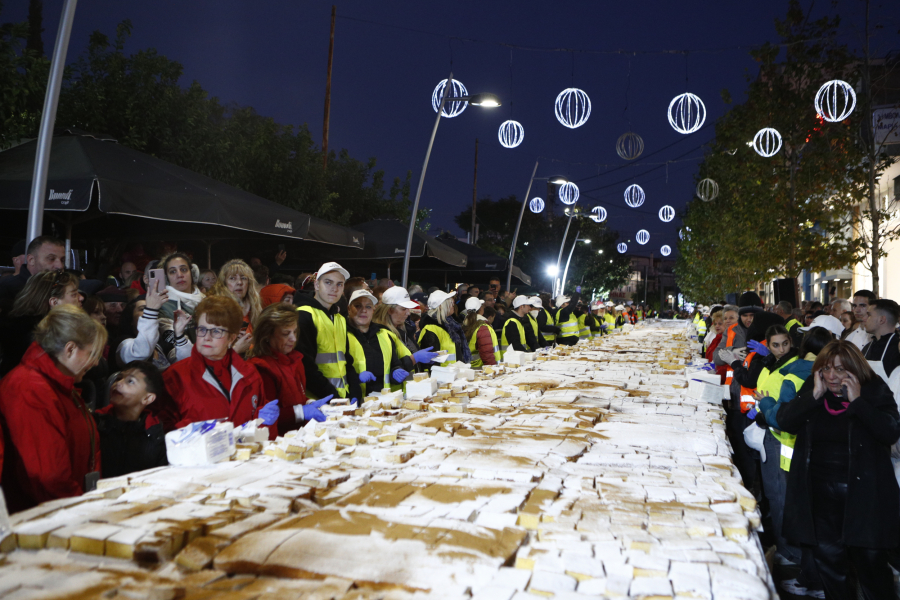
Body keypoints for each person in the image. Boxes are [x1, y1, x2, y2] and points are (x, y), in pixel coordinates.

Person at [779, 340, 900, 600]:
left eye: (840, 370)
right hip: (820, 494)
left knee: (871, 566)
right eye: (826, 369)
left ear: (855, 370)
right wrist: (813, 396)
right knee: (831, 566)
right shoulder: (814, 388)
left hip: (864, 495)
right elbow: (785, 421)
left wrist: (858, 402)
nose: (832, 376)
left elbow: (889, 431)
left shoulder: (873, 388)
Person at [0, 305, 105, 512]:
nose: (94, 363)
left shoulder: (60, 385)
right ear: (70, 349)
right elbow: (48, 477)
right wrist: (82, 513)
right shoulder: (30, 389)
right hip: (42, 522)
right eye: (92, 353)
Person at [160, 296, 276, 432]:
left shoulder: (250, 374)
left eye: (216, 331)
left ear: (231, 338)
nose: (207, 337)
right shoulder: (175, 376)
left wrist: (262, 422)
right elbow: (163, 434)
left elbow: (260, 429)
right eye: (202, 329)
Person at [248, 303, 333, 434]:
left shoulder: (295, 360)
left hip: (299, 435)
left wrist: (310, 403)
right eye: (286, 333)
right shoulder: (261, 368)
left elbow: (294, 398)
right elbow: (267, 417)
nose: (293, 338)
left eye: (294, 331)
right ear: (267, 335)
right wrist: (301, 411)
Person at [295, 262, 362, 402]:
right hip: (317, 401)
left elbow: (346, 361)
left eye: (339, 284)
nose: (334, 289)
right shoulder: (304, 315)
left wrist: (355, 394)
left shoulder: (339, 318)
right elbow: (306, 367)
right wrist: (335, 399)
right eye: (328, 282)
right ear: (316, 285)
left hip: (342, 399)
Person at [0, 270, 82, 377]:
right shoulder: (40, 337)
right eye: (74, 294)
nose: (81, 297)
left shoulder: (20, 328)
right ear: (54, 302)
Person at [93, 361, 169, 478]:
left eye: (130, 381)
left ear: (148, 398)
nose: (118, 383)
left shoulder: (155, 435)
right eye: (119, 378)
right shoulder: (96, 423)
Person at [346, 289, 411, 395]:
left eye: (368, 307)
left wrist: (396, 371)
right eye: (358, 306)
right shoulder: (343, 335)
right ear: (349, 309)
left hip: (382, 401)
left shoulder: (384, 334)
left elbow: (394, 364)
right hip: (353, 402)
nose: (363, 310)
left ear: (373, 310)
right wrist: (355, 378)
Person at [116, 285, 192, 370]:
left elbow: (186, 362)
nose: (149, 312)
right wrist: (151, 311)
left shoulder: (159, 344)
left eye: (150, 309)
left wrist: (179, 335)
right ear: (130, 319)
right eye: (143, 309)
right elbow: (140, 354)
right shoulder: (122, 344)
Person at [372, 287, 438, 373]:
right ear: (390, 310)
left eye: (408, 308)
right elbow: (387, 367)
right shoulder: (379, 333)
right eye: (404, 309)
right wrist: (414, 359)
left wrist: (424, 361)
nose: (408, 313)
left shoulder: (405, 329)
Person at [208, 260, 261, 356]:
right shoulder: (215, 311)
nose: (239, 282)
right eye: (232, 278)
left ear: (249, 283)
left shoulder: (256, 310)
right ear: (224, 284)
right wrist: (236, 349)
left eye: (243, 278)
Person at [0, 235, 66, 312]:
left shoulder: (62, 287)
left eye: (62, 260)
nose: (60, 266)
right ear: (31, 260)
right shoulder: (6, 288)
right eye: (51, 259)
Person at [158, 252, 204, 351]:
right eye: (172, 271)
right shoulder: (163, 306)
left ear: (192, 273)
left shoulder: (208, 301)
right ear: (166, 278)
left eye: (183, 269)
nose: (179, 275)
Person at [418, 289, 471, 364]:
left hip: (453, 372)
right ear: (441, 306)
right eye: (449, 303)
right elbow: (431, 360)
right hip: (441, 374)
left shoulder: (451, 324)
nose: (453, 305)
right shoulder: (431, 328)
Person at [860, 298, 900, 382]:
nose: (864, 318)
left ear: (882, 320)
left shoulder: (897, 348)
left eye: (869, 315)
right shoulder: (868, 347)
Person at [463, 297, 498, 367]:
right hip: (481, 369)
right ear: (481, 309)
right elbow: (487, 354)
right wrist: (493, 370)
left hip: (471, 368)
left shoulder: (464, 325)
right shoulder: (482, 327)